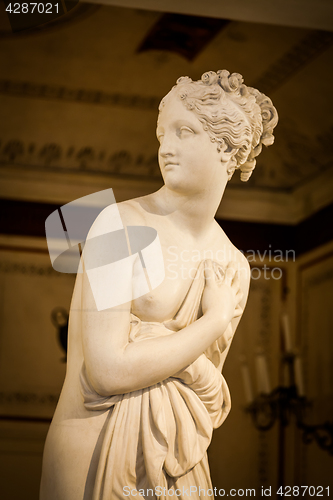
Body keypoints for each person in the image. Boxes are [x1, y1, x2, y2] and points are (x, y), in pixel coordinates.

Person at [40, 70, 278, 500]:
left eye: (184, 132)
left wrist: (150, 344)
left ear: (226, 148)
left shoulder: (233, 267)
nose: (165, 148)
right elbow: (107, 370)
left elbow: (208, 401)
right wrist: (212, 321)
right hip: (93, 453)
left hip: (179, 464)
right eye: (161, 134)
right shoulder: (117, 224)